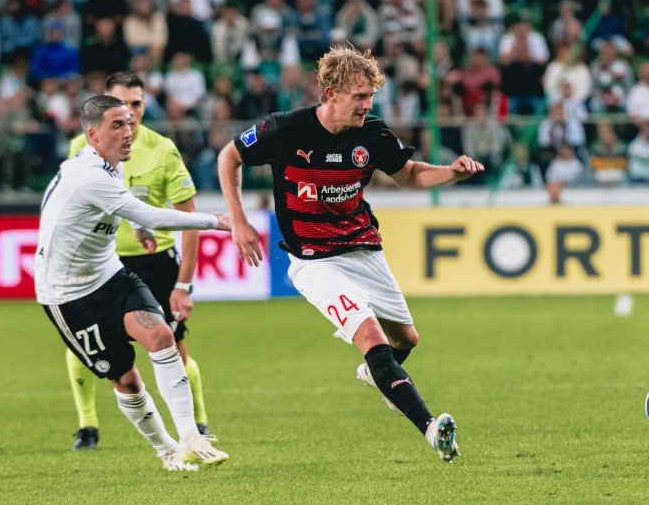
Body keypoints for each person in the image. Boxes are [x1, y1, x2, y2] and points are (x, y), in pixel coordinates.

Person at [217, 46, 484, 462]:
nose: (368, 104)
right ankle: (432, 430)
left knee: (406, 339)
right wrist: (239, 220)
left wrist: (453, 172)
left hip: (364, 249)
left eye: (371, 95)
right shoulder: (284, 129)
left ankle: (376, 375)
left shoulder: (372, 133)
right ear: (330, 94)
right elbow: (229, 155)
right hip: (315, 261)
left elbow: (408, 174)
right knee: (371, 336)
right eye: (360, 96)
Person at [36, 94, 231, 471]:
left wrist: (137, 227)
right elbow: (153, 215)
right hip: (68, 293)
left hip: (110, 274)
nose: (129, 132)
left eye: (129, 122)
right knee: (126, 379)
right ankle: (167, 450)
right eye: (117, 125)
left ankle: (191, 437)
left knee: (161, 335)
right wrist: (217, 221)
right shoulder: (89, 175)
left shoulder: (110, 165)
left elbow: (125, 207)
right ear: (93, 134)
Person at [64, 72, 214, 451]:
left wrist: (183, 284)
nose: (130, 114)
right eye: (122, 105)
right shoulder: (81, 147)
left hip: (154, 265)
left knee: (172, 347)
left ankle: (197, 422)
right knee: (82, 348)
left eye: (137, 104)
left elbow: (187, 215)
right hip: (99, 265)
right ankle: (87, 425)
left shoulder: (162, 149)